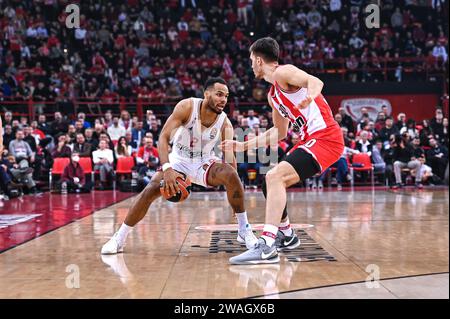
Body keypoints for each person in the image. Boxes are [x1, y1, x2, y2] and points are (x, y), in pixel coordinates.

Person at [101, 78, 258, 254]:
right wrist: (167, 168)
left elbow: (230, 157)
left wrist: (234, 189)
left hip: (204, 162)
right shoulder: (187, 107)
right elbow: (163, 138)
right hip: (178, 161)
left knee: (231, 174)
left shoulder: (225, 123)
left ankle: (244, 230)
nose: (223, 100)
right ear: (206, 94)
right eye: (219, 94)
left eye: (226, 96)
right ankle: (119, 238)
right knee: (151, 188)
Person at [223, 37, 344, 265]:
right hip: (310, 140)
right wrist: (243, 145)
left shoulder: (283, 72)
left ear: (259, 60)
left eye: (251, 61)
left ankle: (267, 245)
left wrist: (310, 95)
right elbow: (279, 133)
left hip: (326, 137)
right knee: (268, 182)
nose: (251, 66)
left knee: (275, 176)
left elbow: (314, 81)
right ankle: (287, 235)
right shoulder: (272, 96)